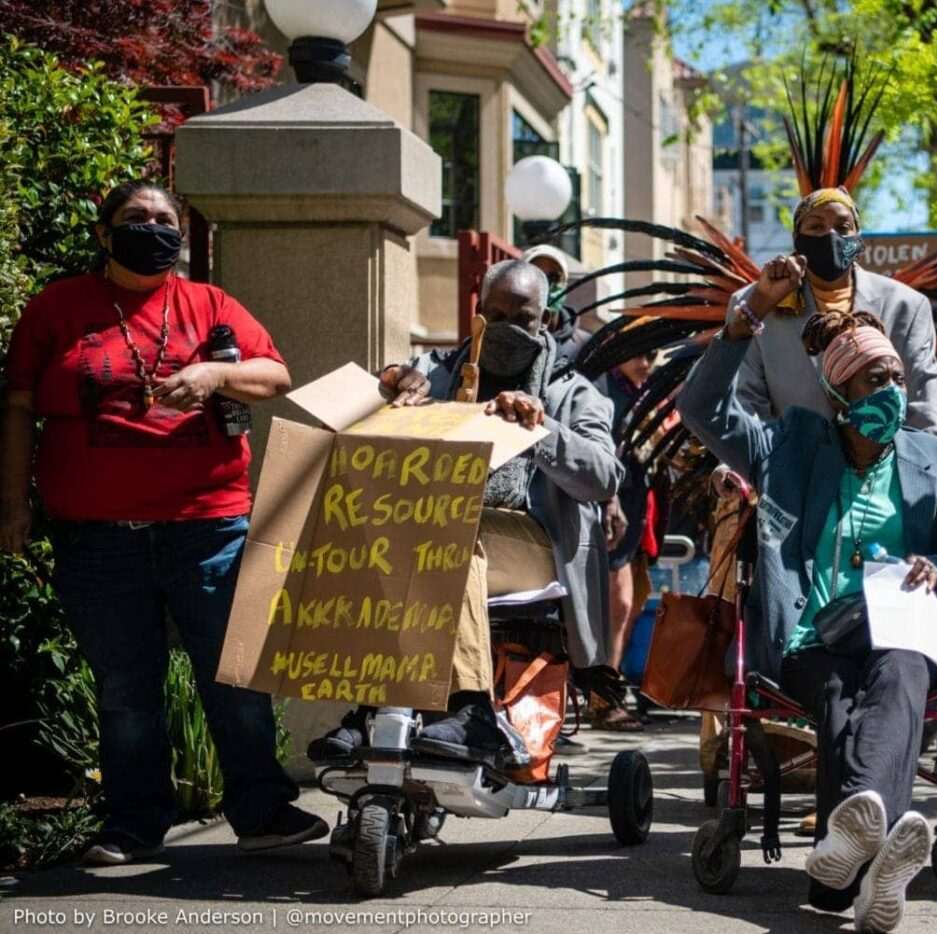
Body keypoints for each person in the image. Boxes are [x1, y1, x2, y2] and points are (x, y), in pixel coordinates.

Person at [0, 180, 326, 864]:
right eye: (134, 219)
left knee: (232, 677)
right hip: (93, 534)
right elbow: (19, 410)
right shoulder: (57, 308)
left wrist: (210, 375)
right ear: (103, 233)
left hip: (207, 527)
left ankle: (261, 810)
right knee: (124, 688)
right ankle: (132, 823)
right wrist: (15, 506)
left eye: (164, 220)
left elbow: (276, 375)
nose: (151, 229)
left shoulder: (209, 304)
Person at [679, 298, 937, 932]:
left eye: (895, 377)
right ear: (838, 389)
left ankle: (844, 862)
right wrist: (739, 327)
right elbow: (702, 411)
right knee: (834, 693)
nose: (891, 389)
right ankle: (869, 858)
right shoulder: (789, 446)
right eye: (873, 379)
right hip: (810, 636)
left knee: (902, 673)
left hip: (903, 630)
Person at [309, 259, 624, 759]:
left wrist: (541, 431)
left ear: (544, 322)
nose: (504, 329)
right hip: (442, 533)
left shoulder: (571, 390)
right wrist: (389, 381)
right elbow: (372, 403)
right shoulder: (436, 372)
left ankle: (472, 709)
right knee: (390, 531)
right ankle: (376, 710)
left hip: (534, 544)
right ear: (476, 314)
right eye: (493, 315)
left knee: (446, 533)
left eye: (521, 319)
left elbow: (604, 476)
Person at [727, 186, 937, 440]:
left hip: (887, 468)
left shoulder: (905, 306)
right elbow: (745, 400)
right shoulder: (759, 304)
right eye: (816, 227)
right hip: (793, 467)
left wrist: (931, 466)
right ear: (797, 239)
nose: (830, 236)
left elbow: (925, 398)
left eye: (843, 227)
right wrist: (769, 466)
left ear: (858, 239)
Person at [592, 350, 663, 731]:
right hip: (608, 512)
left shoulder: (644, 391)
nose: (646, 362)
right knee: (617, 605)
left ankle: (607, 691)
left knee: (629, 604)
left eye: (653, 356)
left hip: (637, 514)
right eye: (640, 354)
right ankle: (605, 697)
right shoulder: (603, 391)